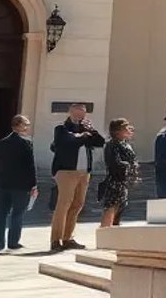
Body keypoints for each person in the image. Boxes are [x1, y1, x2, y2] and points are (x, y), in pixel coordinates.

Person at [49, 103, 105, 252]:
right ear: (70, 112)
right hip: (67, 171)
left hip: (84, 172)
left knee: (77, 204)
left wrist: (91, 131)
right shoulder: (61, 129)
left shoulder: (85, 129)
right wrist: (83, 136)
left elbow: (100, 142)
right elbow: (69, 142)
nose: (80, 115)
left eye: (83, 113)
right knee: (63, 205)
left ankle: (68, 238)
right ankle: (56, 239)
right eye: (78, 112)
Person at [0, 115, 38, 253]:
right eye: (25, 124)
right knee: (17, 213)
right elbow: (30, 166)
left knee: (1, 214)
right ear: (18, 125)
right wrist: (33, 184)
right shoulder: (26, 143)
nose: (27, 127)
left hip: (3, 183)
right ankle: (13, 242)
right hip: (20, 185)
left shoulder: (2, 143)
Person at [98, 119, 140, 228]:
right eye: (126, 128)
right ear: (117, 131)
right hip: (115, 180)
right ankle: (105, 230)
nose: (129, 130)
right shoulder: (112, 145)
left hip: (123, 181)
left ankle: (114, 229)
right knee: (111, 205)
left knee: (120, 206)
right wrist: (129, 166)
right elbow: (114, 163)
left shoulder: (125, 144)